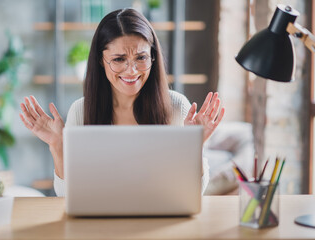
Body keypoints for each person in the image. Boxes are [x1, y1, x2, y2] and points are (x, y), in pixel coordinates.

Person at [19, 8, 225, 196]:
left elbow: (194, 192)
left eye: (141, 58)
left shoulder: (177, 106)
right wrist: (58, 145)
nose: (132, 70)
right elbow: (66, 195)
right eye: (119, 59)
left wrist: (195, 145)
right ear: (101, 60)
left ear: (153, 57)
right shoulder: (80, 111)